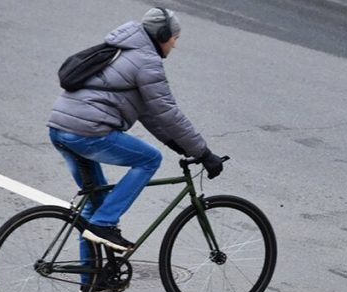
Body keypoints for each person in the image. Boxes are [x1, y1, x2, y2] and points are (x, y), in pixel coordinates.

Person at [48, 6, 225, 254]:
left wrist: (180, 145)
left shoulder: (124, 51)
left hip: (60, 129)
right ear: (163, 35)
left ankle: (90, 273)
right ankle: (104, 224)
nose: (174, 45)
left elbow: (150, 115)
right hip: (87, 133)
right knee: (150, 159)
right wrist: (203, 153)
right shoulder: (147, 61)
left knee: (95, 206)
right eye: (175, 38)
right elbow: (168, 112)